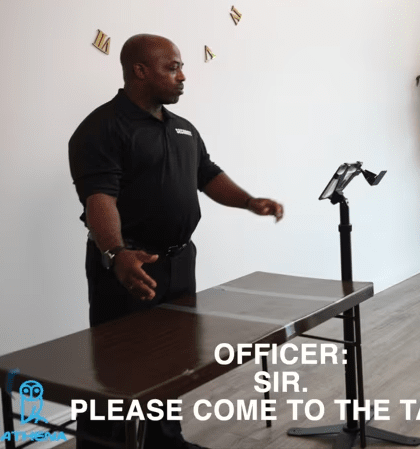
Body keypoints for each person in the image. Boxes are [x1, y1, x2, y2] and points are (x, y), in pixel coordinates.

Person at [68, 34, 284, 449]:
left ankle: (166, 441)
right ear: (140, 71)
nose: (182, 77)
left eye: (181, 67)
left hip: (180, 261)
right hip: (130, 265)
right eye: (172, 67)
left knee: (169, 360)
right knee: (118, 365)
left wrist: (248, 201)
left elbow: (207, 175)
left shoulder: (182, 128)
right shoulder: (101, 128)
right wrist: (115, 254)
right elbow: (99, 198)